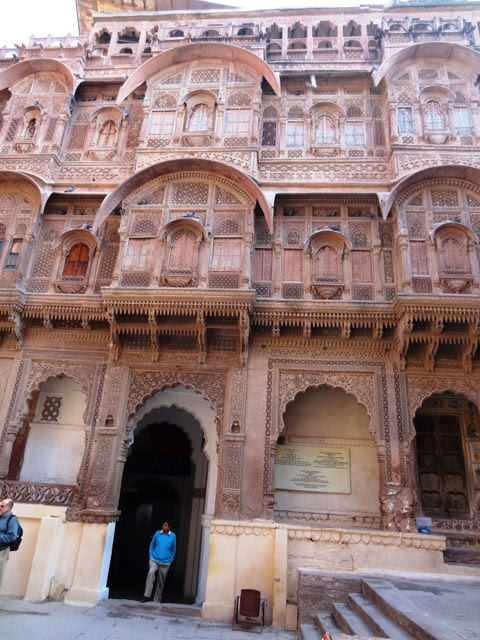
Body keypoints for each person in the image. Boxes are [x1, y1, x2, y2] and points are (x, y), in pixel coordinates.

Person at [141, 520, 176, 603]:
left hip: (166, 562)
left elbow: (173, 549)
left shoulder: (173, 536)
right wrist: (151, 556)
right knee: (151, 573)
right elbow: (152, 545)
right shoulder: (157, 533)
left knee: (161, 581)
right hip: (154, 560)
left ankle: (157, 599)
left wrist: (171, 559)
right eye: (163, 525)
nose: (163, 527)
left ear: (169, 527)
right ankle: (146, 596)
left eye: (165, 525)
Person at [0, 499, 20, 588]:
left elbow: (12, 537)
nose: (0, 508)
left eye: (2, 506)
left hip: (2, 550)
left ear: (9, 507)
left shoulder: (13, 520)